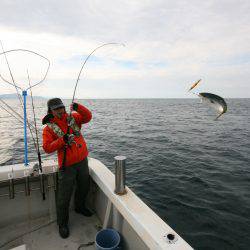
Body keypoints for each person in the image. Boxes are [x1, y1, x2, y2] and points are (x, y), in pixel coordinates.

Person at [42, 98, 92, 239]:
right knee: (64, 196)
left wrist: (77, 107)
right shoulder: (48, 128)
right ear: (50, 111)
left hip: (82, 160)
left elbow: (88, 117)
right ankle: (62, 224)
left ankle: (80, 207)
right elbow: (46, 148)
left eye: (61, 107)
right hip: (67, 166)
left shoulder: (73, 117)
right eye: (56, 109)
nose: (59, 110)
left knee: (84, 186)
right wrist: (61, 141)